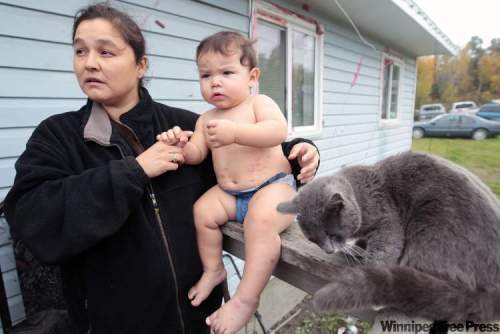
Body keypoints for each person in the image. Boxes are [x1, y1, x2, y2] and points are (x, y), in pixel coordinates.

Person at [3, 3, 320, 334]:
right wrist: (134, 171)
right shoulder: (58, 136)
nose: (90, 63)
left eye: (106, 52)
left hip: (200, 315)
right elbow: (31, 218)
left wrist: (301, 153)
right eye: (80, 51)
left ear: (141, 65)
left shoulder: (184, 124)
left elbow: (250, 161)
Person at [158, 31, 300, 334]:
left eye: (226, 72)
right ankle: (213, 269)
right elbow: (197, 154)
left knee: (260, 223)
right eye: (206, 75)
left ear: (252, 76)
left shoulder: (258, 103)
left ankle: (246, 299)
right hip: (231, 194)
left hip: (274, 187)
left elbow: (277, 131)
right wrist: (180, 145)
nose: (215, 82)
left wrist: (235, 133)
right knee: (202, 212)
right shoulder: (205, 118)